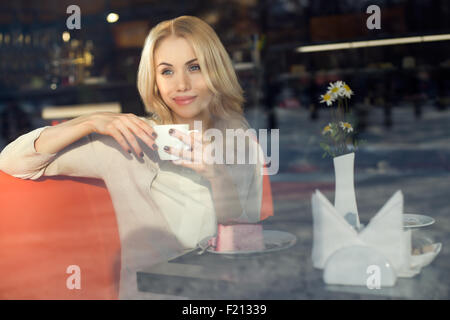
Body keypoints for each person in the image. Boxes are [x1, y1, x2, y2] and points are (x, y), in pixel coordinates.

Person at [0, 16, 268, 299]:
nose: (181, 84)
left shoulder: (242, 144)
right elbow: (14, 160)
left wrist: (218, 177)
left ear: (216, 70)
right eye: (167, 72)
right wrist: (90, 121)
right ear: (153, 81)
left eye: (194, 67)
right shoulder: (130, 139)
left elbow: (246, 248)